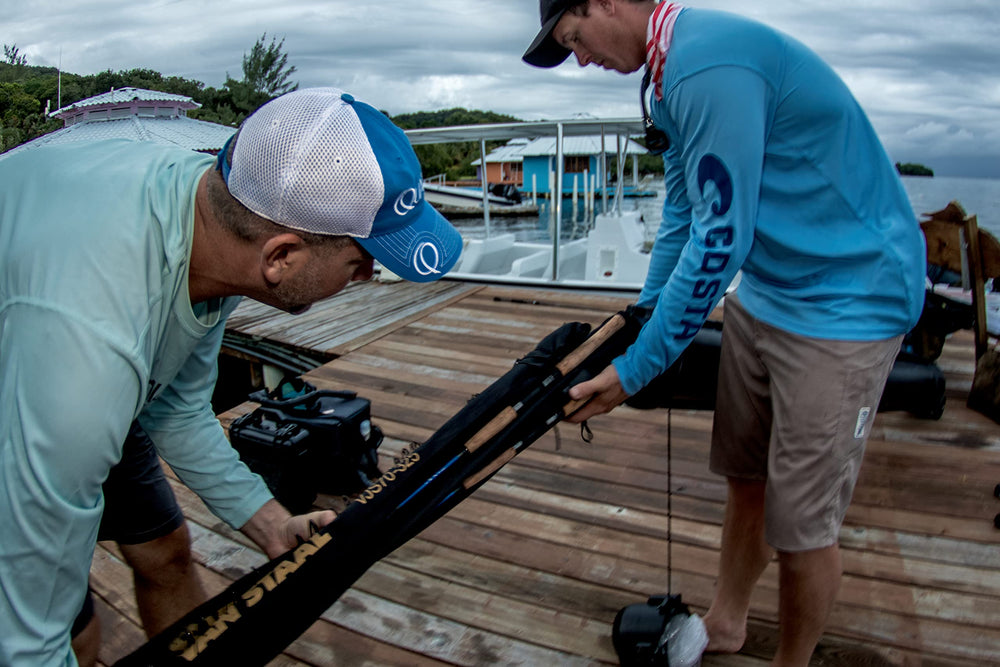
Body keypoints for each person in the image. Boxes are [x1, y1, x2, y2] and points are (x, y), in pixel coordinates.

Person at [0, 86, 463, 666]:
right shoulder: (87, 359)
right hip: (36, 367)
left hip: (76, 345)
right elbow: (23, 638)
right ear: (281, 258)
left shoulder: (214, 213)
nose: (369, 277)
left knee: (164, 549)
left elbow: (177, 407)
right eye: (361, 261)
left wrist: (269, 523)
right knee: (68, 628)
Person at [523, 2, 926, 665]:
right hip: (772, 289)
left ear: (606, 2)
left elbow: (721, 237)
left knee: (800, 527)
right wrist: (642, 319)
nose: (582, 59)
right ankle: (728, 620)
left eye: (575, 39)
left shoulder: (703, 64)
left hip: (849, 298)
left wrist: (635, 371)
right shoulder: (662, 78)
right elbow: (684, 208)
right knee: (746, 475)